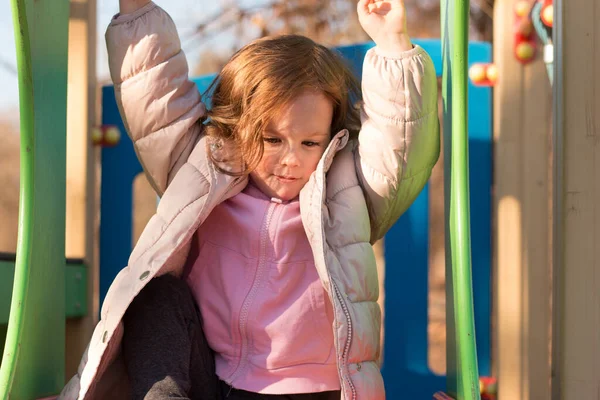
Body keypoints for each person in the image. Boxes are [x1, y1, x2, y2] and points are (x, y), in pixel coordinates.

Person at [60, 0, 440, 399]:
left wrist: (393, 43)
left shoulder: (344, 194)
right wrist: (136, 10)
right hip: (211, 377)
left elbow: (401, 149)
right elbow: (156, 101)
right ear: (238, 129)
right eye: (272, 139)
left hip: (310, 390)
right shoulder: (203, 172)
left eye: (310, 142)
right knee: (154, 296)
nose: (291, 159)